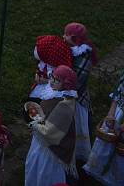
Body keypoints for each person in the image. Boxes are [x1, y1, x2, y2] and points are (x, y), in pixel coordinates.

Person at [24, 65, 78, 186]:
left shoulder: (65, 104)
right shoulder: (53, 93)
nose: (52, 81)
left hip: (50, 150)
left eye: (57, 80)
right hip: (40, 142)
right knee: (34, 165)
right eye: (52, 77)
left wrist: (34, 118)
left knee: (45, 173)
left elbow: (50, 130)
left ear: (66, 84)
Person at [63, 22, 98, 164]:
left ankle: (77, 158)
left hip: (77, 99)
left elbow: (76, 82)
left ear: (73, 37)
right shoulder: (74, 51)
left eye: (65, 34)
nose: (63, 37)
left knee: (78, 127)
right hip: (71, 95)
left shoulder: (84, 55)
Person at [83, 68, 124, 185]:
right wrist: (110, 114)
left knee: (119, 157)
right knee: (104, 147)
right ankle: (96, 176)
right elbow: (117, 94)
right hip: (117, 115)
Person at [29, 34, 73, 101]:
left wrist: (46, 81)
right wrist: (37, 75)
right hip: (40, 84)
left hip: (50, 90)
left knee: (41, 102)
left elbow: (59, 84)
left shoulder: (57, 70)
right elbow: (39, 69)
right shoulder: (44, 62)